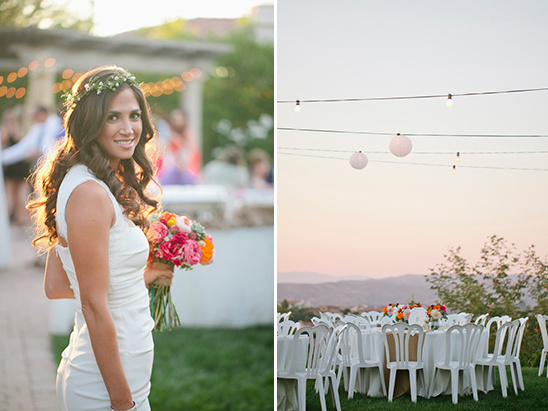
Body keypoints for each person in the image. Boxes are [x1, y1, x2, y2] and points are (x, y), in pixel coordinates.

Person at [27, 65, 173, 411]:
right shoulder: (90, 193)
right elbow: (92, 304)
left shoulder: (96, 181)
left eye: (135, 115)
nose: (129, 129)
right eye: (113, 118)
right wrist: (122, 399)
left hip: (124, 374)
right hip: (105, 386)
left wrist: (147, 274)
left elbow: (58, 285)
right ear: (90, 123)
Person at [1, 106, 31, 225]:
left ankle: (7, 218)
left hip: (12, 164)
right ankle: (23, 218)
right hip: (22, 164)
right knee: (22, 193)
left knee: (10, 193)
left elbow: (3, 145)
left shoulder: (6, 129)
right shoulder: (23, 128)